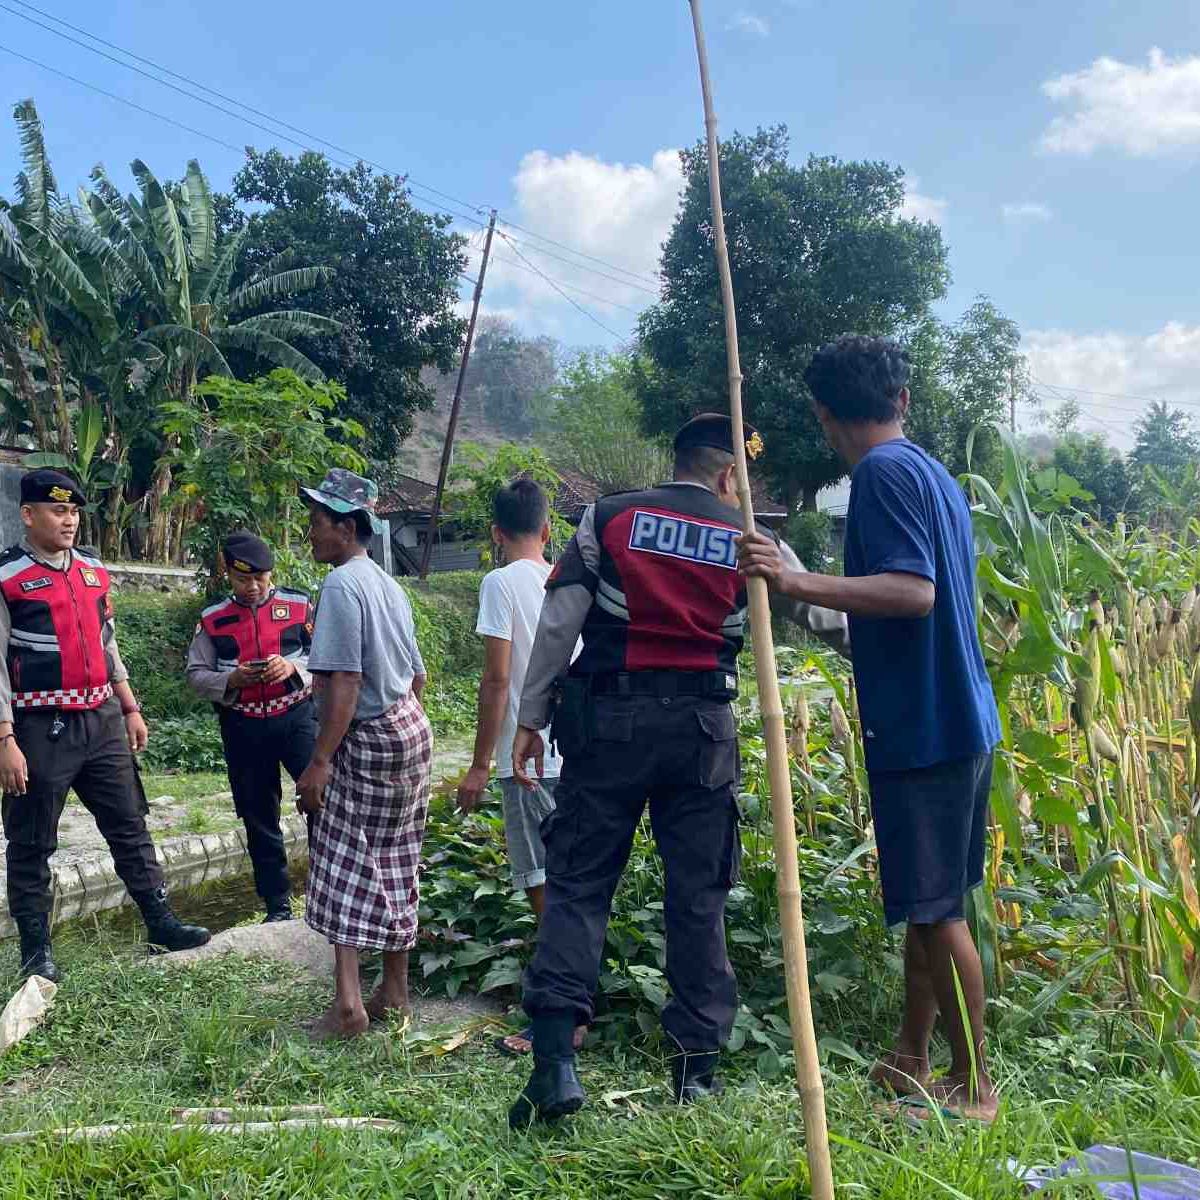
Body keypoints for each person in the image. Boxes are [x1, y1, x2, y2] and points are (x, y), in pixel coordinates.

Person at [506, 415, 848, 1129]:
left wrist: (531, 717)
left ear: (680, 461)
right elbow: (824, 616)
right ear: (728, 474)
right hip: (703, 734)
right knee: (698, 898)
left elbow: (559, 622)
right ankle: (695, 1076)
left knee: (578, 885)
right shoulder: (750, 539)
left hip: (607, 724)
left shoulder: (608, 518)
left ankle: (554, 1064)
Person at [740, 334, 1002, 1122]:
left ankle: (974, 1088)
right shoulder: (929, 473)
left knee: (938, 912)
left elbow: (913, 592)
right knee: (929, 901)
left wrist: (793, 581)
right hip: (956, 716)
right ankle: (911, 1056)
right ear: (903, 399)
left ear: (824, 414)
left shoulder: (882, 475)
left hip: (925, 725)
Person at [0, 468, 210, 984]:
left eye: (74, 512)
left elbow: (106, 642)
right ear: (28, 515)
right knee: (32, 840)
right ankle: (36, 952)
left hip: (101, 720)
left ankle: (161, 923)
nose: (70, 521)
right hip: (39, 727)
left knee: (130, 824)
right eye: (58, 511)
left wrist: (130, 707)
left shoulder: (93, 570)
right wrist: (3, 739)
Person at [294, 468, 434, 1040]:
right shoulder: (387, 584)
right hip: (410, 727)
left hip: (368, 734)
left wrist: (321, 760)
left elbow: (345, 681)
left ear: (347, 528)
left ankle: (349, 1005)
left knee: (342, 859)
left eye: (317, 522)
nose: (310, 533)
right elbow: (418, 676)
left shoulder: (341, 585)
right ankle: (394, 991)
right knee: (398, 857)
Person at [453, 477, 582, 1058]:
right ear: (548, 530)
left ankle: (561, 1013)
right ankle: (573, 1001)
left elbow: (497, 679)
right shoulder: (565, 579)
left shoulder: (499, 583)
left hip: (524, 758)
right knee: (571, 880)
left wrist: (481, 763)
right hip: (573, 751)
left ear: (495, 533)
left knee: (541, 884)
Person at [186, 531, 316, 923]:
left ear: (271, 573)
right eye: (243, 579)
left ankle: (328, 892)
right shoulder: (212, 619)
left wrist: (293, 667)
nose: (253, 587)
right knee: (260, 817)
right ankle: (277, 906)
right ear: (228, 574)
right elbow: (195, 675)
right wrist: (230, 680)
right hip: (243, 726)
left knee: (322, 801)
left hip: (297, 718)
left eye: (260, 577)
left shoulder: (300, 606)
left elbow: (327, 657)